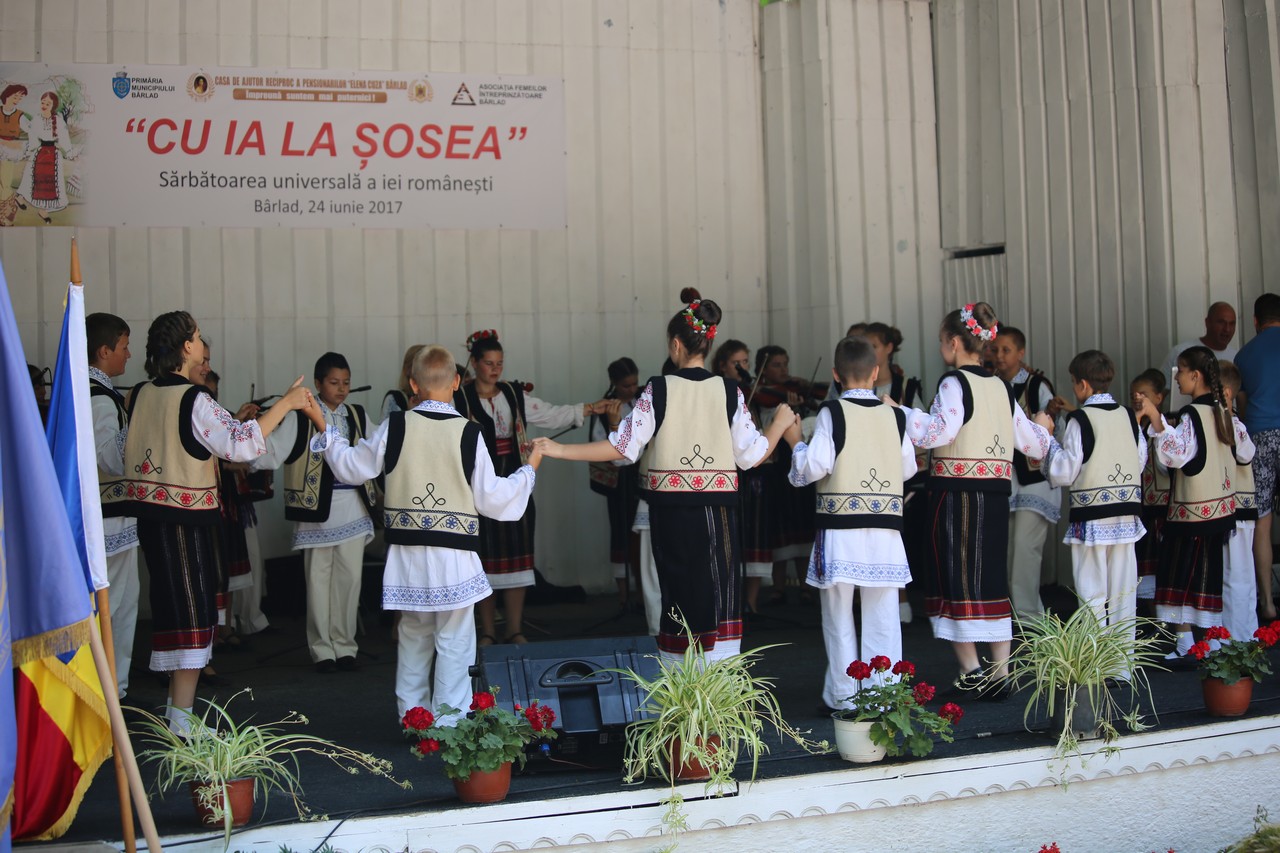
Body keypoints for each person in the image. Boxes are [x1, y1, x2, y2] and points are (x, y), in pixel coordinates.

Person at [534, 289, 797, 661]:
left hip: (671, 513)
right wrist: (779, 425)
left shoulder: (657, 389)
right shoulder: (729, 391)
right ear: (708, 343)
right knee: (718, 593)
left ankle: (679, 679)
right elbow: (752, 456)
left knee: (678, 593)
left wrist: (559, 449)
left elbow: (622, 447)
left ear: (675, 344)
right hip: (718, 512)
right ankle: (718, 680)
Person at [307, 345, 541, 721]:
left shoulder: (396, 425)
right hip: (454, 556)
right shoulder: (469, 432)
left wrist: (326, 429)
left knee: (414, 638)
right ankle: (449, 723)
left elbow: (352, 467)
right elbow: (494, 500)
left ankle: (414, 720)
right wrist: (529, 469)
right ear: (456, 382)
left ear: (413, 384)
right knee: (455, 641)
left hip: (408, 555)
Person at [114, 310, 312, 735]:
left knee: (174, 611)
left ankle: (178, 715)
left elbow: (124, 449)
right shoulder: (194, 398)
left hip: (150, 517)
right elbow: (240, 446)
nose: (203, 345)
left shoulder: (137, 394)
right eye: (199, 337)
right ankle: (182, 721)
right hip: (185, 519)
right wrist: (287, 403)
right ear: (187, 346)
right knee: (192, 614)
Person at [894, 302, 1053, 697]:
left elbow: (940, 432)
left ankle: (971, 670)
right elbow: (1031, 443)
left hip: (956, 494)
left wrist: (900, 414)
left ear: (953, 342)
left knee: (955, 576)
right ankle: (1000, 670)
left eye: (940, 341)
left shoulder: (954, 383)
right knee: (990, 576)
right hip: (996, 495)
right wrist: (1044, 428)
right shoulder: (1001, 387)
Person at [784, 335, 915, 711]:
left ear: (836, 375)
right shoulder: (895, 415)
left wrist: (795, 442)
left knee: (838, 615)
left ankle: (844, 697)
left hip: (840, 529)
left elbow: (814, 467)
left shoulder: (832, 412)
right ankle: (883, 697)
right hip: (885, 529)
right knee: (883, 615)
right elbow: (908, 467)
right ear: (876, 372)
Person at [454, 329, 608, 646]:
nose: (495, 369)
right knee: (484, 557)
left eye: (499, 363)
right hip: (479, 484)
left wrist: (590, 408)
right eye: (489, 363)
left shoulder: (513, 394)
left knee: (518, 553)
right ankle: (487, 630)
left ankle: (514, 628)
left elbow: (549, 414)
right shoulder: (461, 397)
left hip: (515, 479)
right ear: (475, 362)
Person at [254, 352, 377, 673]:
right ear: (318, 383)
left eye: (346, 382)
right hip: (315, 509)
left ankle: (345, 646)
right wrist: (244, 455)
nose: (342, 388)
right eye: (334, 382)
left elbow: (380, 447)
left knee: (350, 580)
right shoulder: (301, 415)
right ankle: (322, 649)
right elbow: (275, 450)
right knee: (318, 581)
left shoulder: (357, 415)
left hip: (353, 506)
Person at [1134, 346, 1254, 655]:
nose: (1176, 378)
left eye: (1181, 371)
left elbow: (1175, 456)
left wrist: (1157, 421)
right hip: (1220, 512)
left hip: (1192, 512)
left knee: (1179, 577)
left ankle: (1186, 643)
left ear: (1195, 375)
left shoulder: (1192, 414)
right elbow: (1246, 452)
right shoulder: (1223, 411)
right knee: (1206, 579)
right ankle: (1210, 642)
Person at [1043, 350, 1146, 678]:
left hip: (1092, 515)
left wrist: (1048, 441)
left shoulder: (1080, 420)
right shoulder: (1128, 416)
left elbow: (1064, 471)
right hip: (1126, 515)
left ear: (1083, 385)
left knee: (1092, 592)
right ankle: (1122, 666)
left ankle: (1096, 664)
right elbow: (1139, 459)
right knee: (1123, 592)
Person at [990, 326, 1062, 620]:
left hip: (1034, 480)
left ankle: (1029, 618)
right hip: (1003, 478)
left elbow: (1054, 427)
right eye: (995, 349)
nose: (999, 355)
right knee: (1006, 550)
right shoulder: (990, 383)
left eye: (1006, 350)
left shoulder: (1037, 385)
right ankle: (1017, 613)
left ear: (1021, 353)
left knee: (1024, 549)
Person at [88, 312, 139, 698]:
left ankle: (113, 687)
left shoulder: (95, 391)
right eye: (124, 347)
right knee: (114, 606)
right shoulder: (99, 397)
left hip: (112, 514)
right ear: (104, 351)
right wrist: (137, 422)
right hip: (108, 516)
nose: (128, 354)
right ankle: (110, 692)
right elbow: (107, 457)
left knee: (120, 604)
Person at [865, 321, 926, 623]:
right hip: (864, 473)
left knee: (893, 539)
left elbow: (921, 432)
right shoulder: (852, 386)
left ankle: (900, 602)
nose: (869, 352)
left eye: (874, 346)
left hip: (897, 476)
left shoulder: (907, 388)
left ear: (889, 348)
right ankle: (870, 605)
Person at [712, 339, 775, 614]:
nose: (742, 367)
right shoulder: (719, 391)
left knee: (756, 530)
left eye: (745, 362)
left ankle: (751, 601)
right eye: (736, 363)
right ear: (722, 365)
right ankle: (729, 601)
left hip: (755, 472)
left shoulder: (752, 392)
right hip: (728, 468)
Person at [1235, 292, 1280, 621]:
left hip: (1260, 437)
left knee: (1261, 521)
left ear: (1255, 321)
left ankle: (1267, 603)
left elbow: (1241, 407)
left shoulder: (1244, 355)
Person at [589, 357, 639, 607]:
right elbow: (598, 442)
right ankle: (623, 594)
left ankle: (643, 590)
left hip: (641, 475)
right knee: (620, 532)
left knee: (641, 533)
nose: (631, 390)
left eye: (634, 384)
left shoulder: (642, 403)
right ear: (614, 384)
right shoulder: (605, 408)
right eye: (626, 386)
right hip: (620, 480)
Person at [1219, 361, 1259, 641]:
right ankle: (1233, 637)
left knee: (1239, 575)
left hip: (1239, 510)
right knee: (1230, 575)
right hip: (1225, 509)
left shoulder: (1234, 424)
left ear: (1226, 393)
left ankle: (1241, 638)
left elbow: (1246, 453)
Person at [1130, 368, 1170, 613]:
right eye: (1133, 394)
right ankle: (1149, 613)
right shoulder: (1133, 425)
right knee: (1143, 561)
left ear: (1158, 397)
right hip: (1142, 505)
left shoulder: (1166, 426)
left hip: (1163, 506)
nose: (1137, 398)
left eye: (1143, 394)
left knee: (1163, 561)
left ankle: (1163, 614)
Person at [1161, 302, 1238, 411]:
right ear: (1207, 322)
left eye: (1232, 324)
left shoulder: (1238, 357)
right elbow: (1159, 394)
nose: (1227, 329)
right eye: (1221, 322)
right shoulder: (1180, 352)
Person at [15, 91, 77, 223]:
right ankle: (20, 198)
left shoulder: (58, 120)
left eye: (48, 103)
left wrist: (70, 153)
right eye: (43, 102)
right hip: (39, 152)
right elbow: (32, 136)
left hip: (54, 154)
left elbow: (64, 138)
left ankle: (43, 210)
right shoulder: (37, 119)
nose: (44, 105)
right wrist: (29, 151)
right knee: (31, 178)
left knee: (51, 182)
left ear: (53, 106)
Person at [0, 83, 28, 226]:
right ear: (7, 95)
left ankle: (4, 215)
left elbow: (32, 131)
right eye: (15, 96)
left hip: (9, 152)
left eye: (20, 98)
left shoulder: (20, 116)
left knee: (5, 183)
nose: (17, 100)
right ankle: (12, 204)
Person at [382, 344, 425, 420]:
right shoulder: (396, 398)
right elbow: (388, 426)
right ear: (407, 369)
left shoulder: (440, 397)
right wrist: (409, 413)